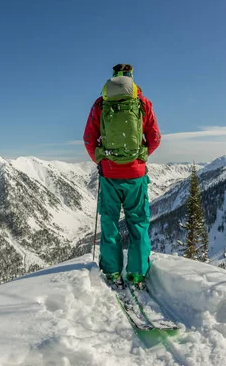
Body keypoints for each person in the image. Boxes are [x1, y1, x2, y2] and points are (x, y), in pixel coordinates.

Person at [83, 63, 161, 289]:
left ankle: (112, 271)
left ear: (113, 77)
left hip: (109, 174)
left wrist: (102, 160)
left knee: (110, 222)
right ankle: (137, 274)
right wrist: (141, 156)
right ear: (131, 78)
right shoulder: (142, 104)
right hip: (136, 175)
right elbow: (154, 138)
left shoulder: (101, 104)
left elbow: (89, 139)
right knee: (137, 223)